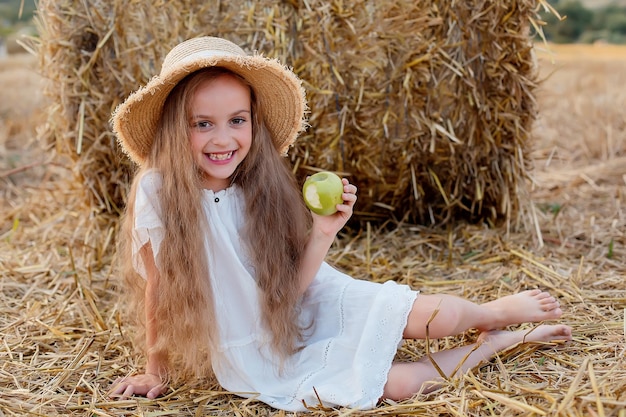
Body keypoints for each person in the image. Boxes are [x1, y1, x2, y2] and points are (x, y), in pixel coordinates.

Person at [109, 36, 572, 411]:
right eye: (202, 124)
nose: (224, 138)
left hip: (305, 304)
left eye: (237, 119)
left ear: (255, 122)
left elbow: (288, 289)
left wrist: (323, 232)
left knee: (437, 315)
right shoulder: (159, 192)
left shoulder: (258, 185)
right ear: (175, 128)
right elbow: (159, 289)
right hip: (256, 348)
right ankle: (497, 343)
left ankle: (492, 314)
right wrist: (156, 369)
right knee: (401, 385)